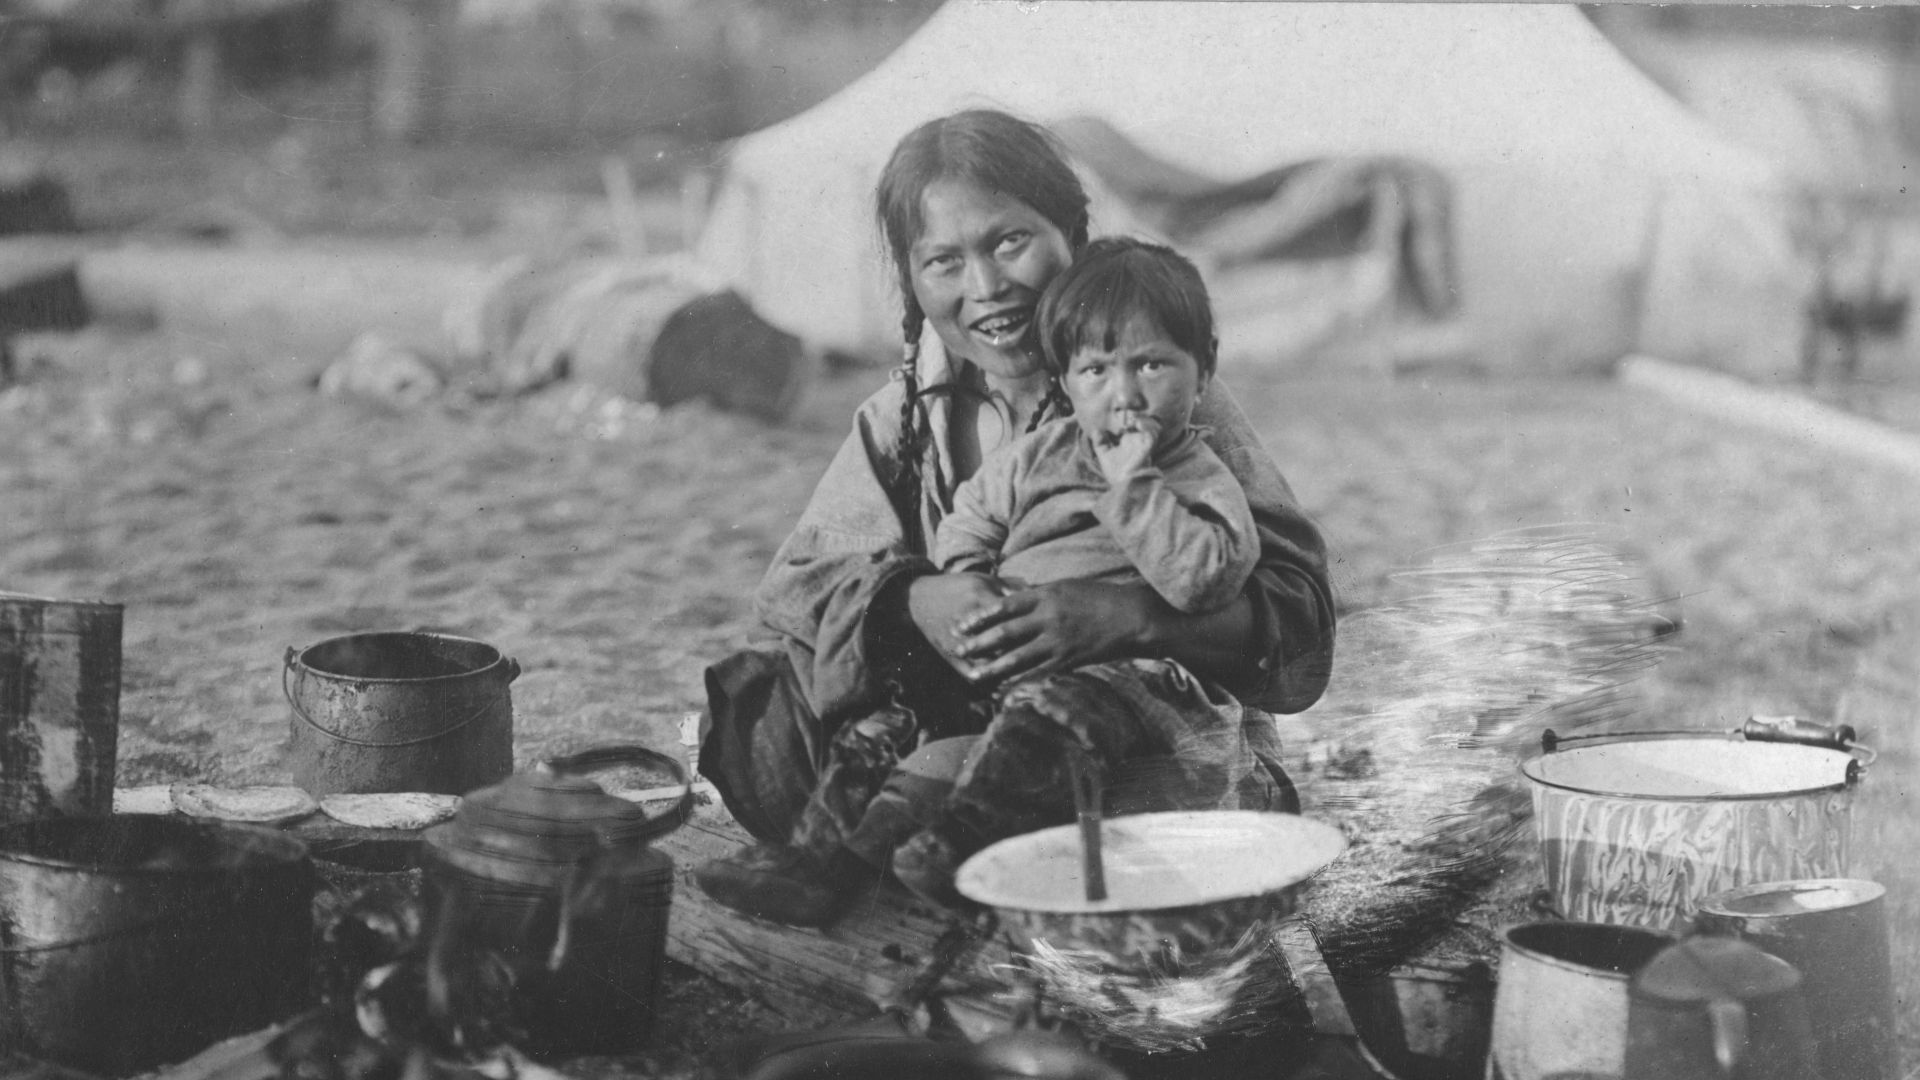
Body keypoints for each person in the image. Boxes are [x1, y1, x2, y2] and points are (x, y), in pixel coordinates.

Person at [693, 109, 1335, 927]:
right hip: (972, 710)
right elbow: (797, 584)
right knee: (755, 709)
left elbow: (1300, 621)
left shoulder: (1152, 398)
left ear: (1072, 234)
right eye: (943, 262)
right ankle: (911, 844)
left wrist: (1130, 616)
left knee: (1066, 769)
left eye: (1009, 242)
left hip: (1133, 720)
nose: (986, 289)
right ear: (912, 279)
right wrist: (914, 598)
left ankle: (930, 848)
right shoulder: (905, 422)